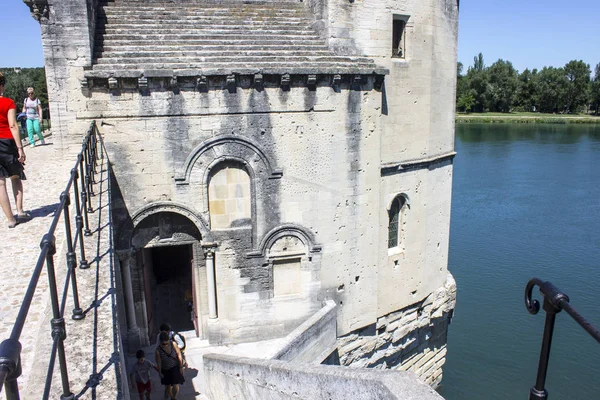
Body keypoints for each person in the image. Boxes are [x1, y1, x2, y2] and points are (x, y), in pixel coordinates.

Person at [0, 72, 29, 228]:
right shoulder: (8, 103)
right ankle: (20, 211)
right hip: (6, 142)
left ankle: (11, 219)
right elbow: (13, 125)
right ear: (2, 85)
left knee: (0, 184)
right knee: (15, 176)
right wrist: (20, 148)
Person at [155, 331, 185, 400]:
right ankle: (172, 397)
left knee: (176, 384)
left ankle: (174, 397)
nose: (165, 345)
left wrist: (180, 366)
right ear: (160, 342)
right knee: (168, 386)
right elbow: (159, 362)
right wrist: (159, 372)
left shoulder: (173, 344)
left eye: (166, 343)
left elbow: (178, 354)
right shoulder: (158, 351)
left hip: (174, 367)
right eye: (163, 344)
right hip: (165, 369)